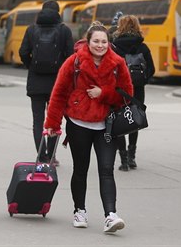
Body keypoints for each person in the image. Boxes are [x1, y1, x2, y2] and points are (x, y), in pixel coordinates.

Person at [44, 21, 133, 234]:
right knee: (80, 169)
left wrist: (104, 93)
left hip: (106, 125)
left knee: (106, 170)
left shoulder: (118, 63)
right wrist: (52, 124)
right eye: (96, 41)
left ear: (109, 43)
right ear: (88, 41)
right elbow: (58, 94)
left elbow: (127, 95)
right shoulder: (73, 62)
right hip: (78, 124)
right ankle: (79, 211)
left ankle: (110, 215)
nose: (100, 45)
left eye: (104, 41)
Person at [18, 0, 74, 163]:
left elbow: (23, 52)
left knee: (37, 121)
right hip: (58, 83)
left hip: (36, 82)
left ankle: (42, 156)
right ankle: (52, 156)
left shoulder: (31, 29)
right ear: (58, 13)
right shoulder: (64, 31)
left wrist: (32, 66)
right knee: (54, 119)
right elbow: (71, 56)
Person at [111, 15, 155, 171]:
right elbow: (151, 69)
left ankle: (123, 160)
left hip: (120, 90)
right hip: (137, 89)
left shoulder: (114, 47)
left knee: (120, 121)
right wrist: (141, 81)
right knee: (135, 120)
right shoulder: (143, 47)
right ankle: (132, 157)